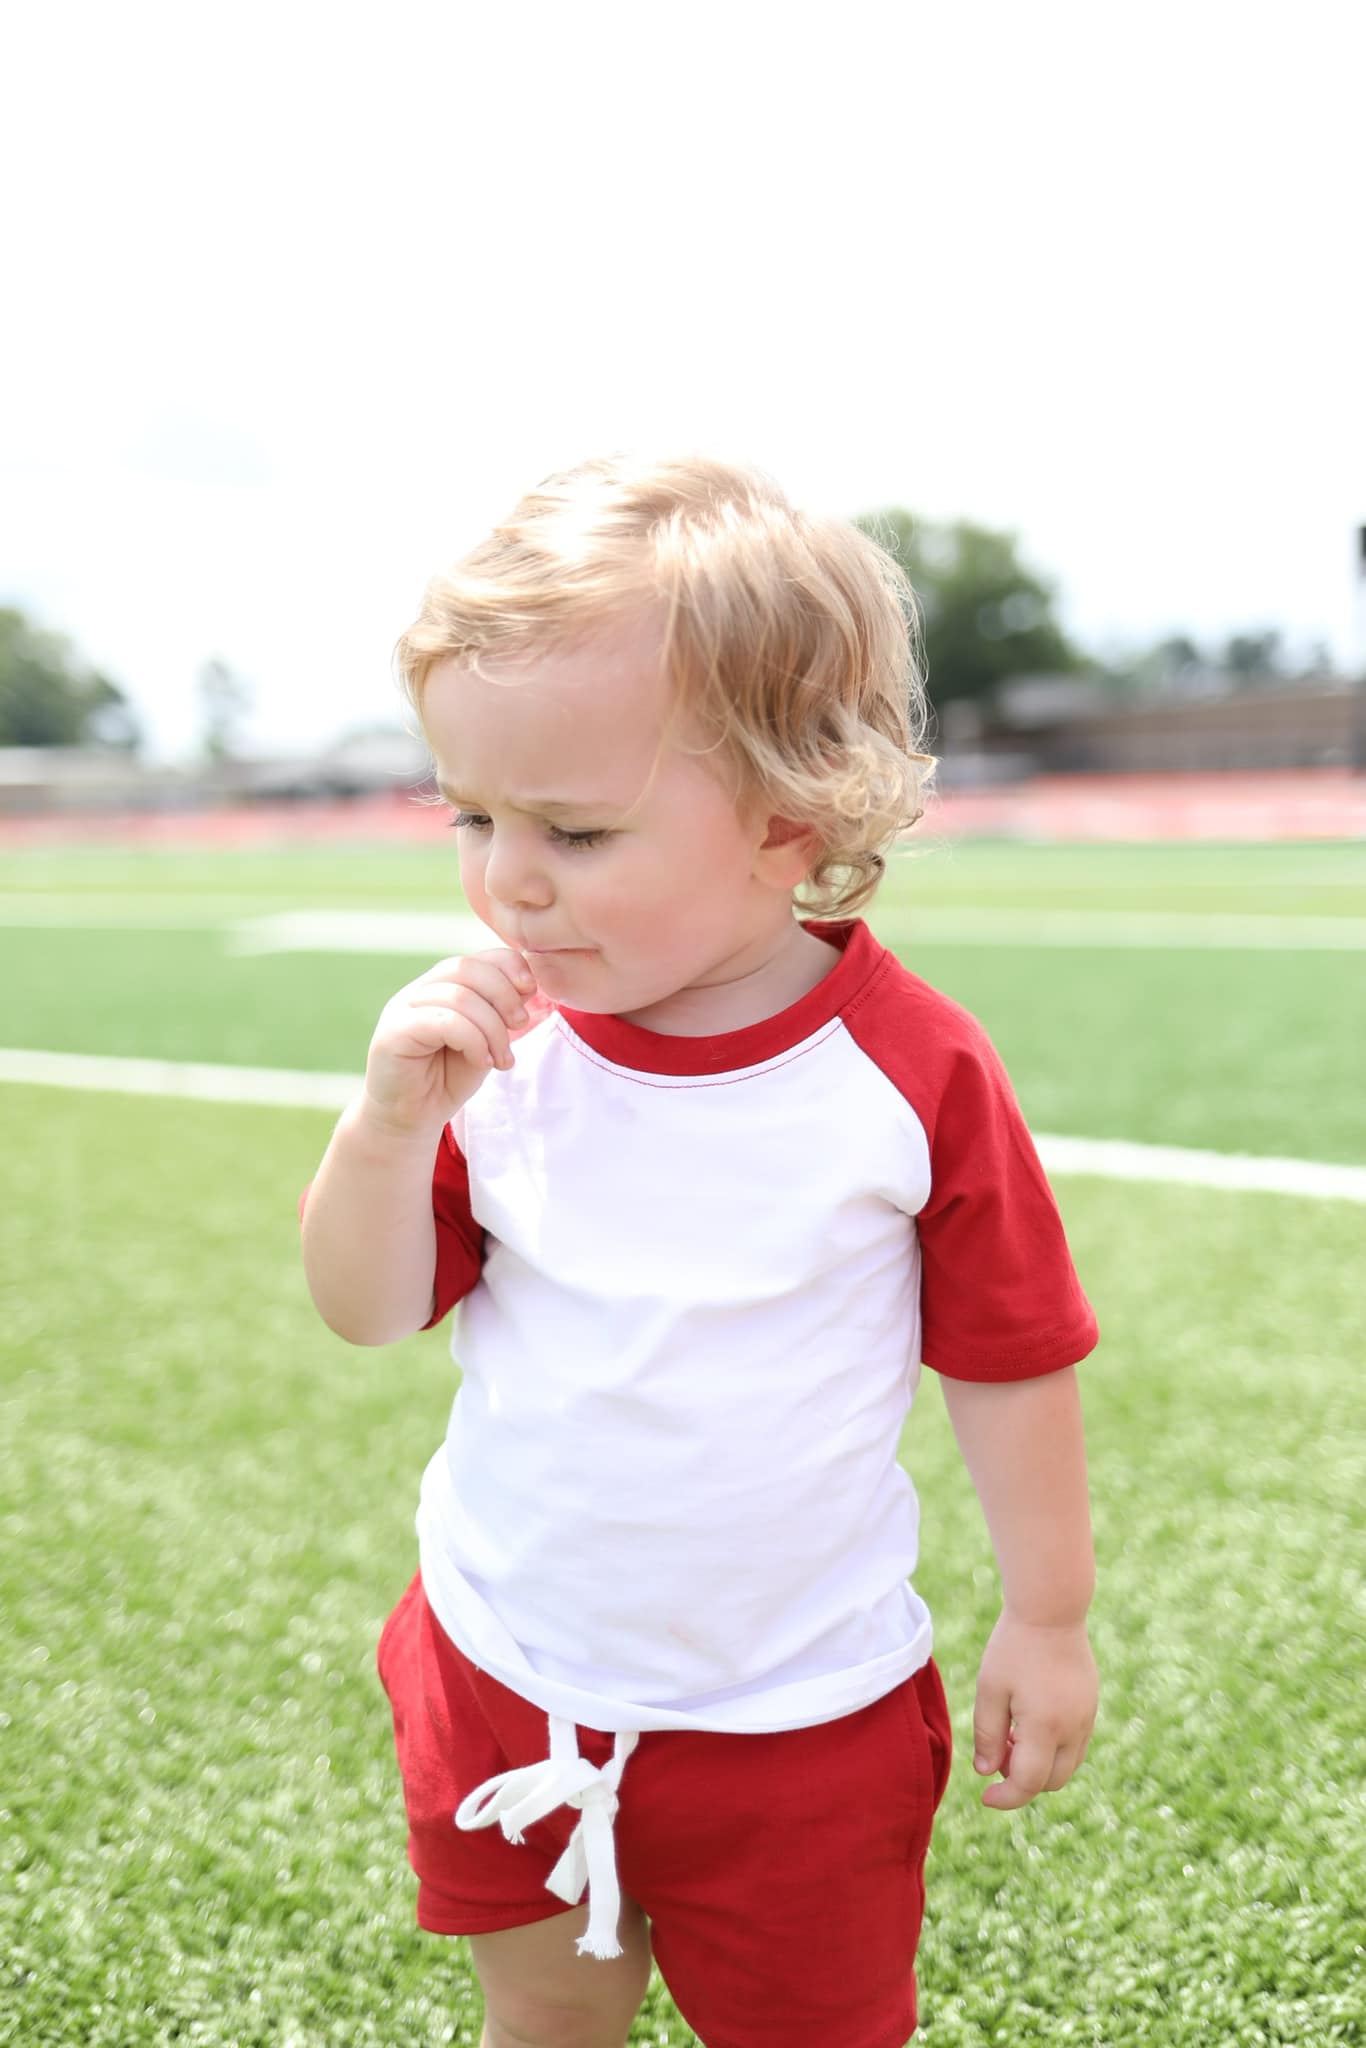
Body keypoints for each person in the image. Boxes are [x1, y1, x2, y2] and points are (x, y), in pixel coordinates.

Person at [300, 451, 1100, 2048]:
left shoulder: (908, 1073)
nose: (507, 877)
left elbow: (1009, 1356)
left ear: (790, 822)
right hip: (508, 1659)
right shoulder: (506, 1042)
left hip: (798, 1713)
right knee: (543, 2015)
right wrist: (387, 1129)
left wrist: (1049, 1617)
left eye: (576, 832)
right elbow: (368, 1310)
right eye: (473, 813)